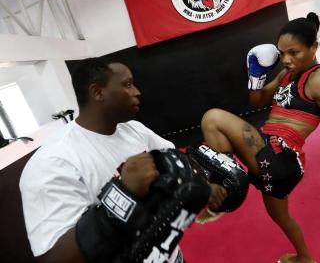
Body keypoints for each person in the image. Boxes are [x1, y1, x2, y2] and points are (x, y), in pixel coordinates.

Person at [200, 12, 320, 263]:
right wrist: (255, 73)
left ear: (314, 48)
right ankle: (305, 257)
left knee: (213, 118)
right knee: (280, 217)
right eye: (282, 53)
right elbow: (258, 100)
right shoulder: (286, 74)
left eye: (294, 53)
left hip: (281, 154)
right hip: (272, 158)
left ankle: (225, 190)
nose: (286, 59)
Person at [19, 58, 227, 263]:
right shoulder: (52, 163)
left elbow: (177, 160)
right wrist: (123, 193)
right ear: (97, 92)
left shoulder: (134, 129)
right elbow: (55, 258)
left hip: (169, 255)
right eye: (127, 84)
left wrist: (204, 183)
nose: (137, 91)